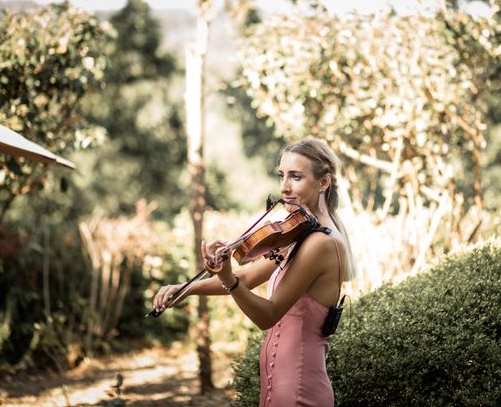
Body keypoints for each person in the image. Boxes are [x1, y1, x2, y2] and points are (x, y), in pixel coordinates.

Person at [152, 138, 356, 407]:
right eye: (282, 175)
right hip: (279, 390)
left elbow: (268, 314)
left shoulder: (321, 243)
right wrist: (185, 289)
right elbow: (246, 277)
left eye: (296, 177)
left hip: (300, 393)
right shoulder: (302, 234)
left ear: (323, 182)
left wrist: (227, 278)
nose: (285, 187)